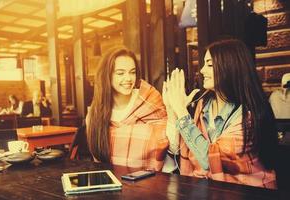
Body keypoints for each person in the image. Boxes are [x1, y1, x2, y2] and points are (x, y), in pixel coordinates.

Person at [163, 39, 278, 188]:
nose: (202, 70)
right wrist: (173, 111)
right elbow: (180, 148)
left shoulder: (247, 115)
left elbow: (209, 160)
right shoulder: (203, 105)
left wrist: (181, 112)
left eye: (210, 65)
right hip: (209, 189)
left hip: (246, 192)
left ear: (230, 67)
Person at [86, 46, 168, 171]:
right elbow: (97, 158)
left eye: (132, 72)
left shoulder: (149, 99)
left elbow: (171, 142)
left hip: (151, 179)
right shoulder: (95, 114)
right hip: (111, 180)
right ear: (106, 76)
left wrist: (174, 111)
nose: (128, 78)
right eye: (120, 73)